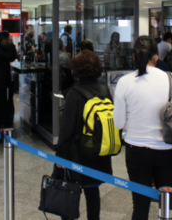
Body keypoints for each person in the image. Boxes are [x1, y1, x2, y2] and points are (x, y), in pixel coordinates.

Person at [114, 36, 172, 219]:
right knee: (168, 204)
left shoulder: (125, 82)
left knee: (140, 205)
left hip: (136, 151)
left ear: (135, 57)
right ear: (156, 56)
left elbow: (119, 124)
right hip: (168, 150)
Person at [55, 50, 112, 220]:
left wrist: (60, 157)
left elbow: (66, 129)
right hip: (98, 150)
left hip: (77, 154)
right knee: (92, 191)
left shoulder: (74, 93)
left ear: (76, 70)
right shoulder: (104, 91)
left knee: (71, 191)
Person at [0, 31, 17, 130]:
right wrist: (12, 45)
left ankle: (1, 121)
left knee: (1, 102)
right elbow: (11, 56)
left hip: (1, 81)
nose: (9, 41)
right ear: (4, 40)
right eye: (8, 40)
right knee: (0, 102)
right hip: (0, 81)